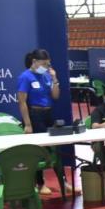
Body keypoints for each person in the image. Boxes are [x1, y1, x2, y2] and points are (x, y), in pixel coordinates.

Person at [17, 48, 65, 195]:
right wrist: (28, 124)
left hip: (48, 113)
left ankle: (64, 182)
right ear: (34, 62)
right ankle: (40, 183)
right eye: (44, 63)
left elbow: (55, 96)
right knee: (37, 151)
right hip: (34, 114)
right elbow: (22, 102)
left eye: (48, 64)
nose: (47, 66)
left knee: (56, 149)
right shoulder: (25, 77)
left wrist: (55, 79)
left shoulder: (46, 76)